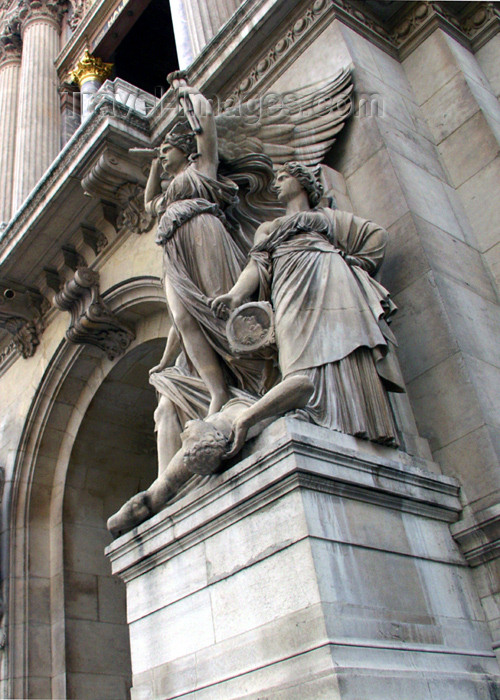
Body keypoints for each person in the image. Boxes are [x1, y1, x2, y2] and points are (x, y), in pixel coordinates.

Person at [212, 161, 405, 445]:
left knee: (342, 340)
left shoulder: (328, 217)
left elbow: (377, 235)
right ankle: (308, 407)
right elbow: (257, 264)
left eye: (282, 177)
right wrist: (236, 294)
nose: (276, 184)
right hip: (288, 283)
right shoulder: (268, 227)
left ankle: (352, 417)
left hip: (330, 275)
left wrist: (355, 264)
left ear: (301, 181)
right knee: (293, 346)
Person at [145, 80, 268, 417]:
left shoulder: (202, 168)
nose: (163, 154)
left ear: (185, 149)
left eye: (167, 149)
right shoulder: (169, 193)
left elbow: (207, 126)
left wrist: (189, 94)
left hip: (203, 232)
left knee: (216, 302)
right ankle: (218, 391)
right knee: (183, 316)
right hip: (173, 250)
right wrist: (155, 168)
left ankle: (252, 376)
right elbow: (149, 204)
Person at [107, 375, 313, 538]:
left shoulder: (222, 426)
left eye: (188, 435)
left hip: (239, 407)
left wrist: (244, 420)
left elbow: (130, 513)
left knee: (165, 407)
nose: (185, 429)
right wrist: (246, 421)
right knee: (166, 405)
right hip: (244, 408)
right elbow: (302, 385)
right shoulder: (232, 423)